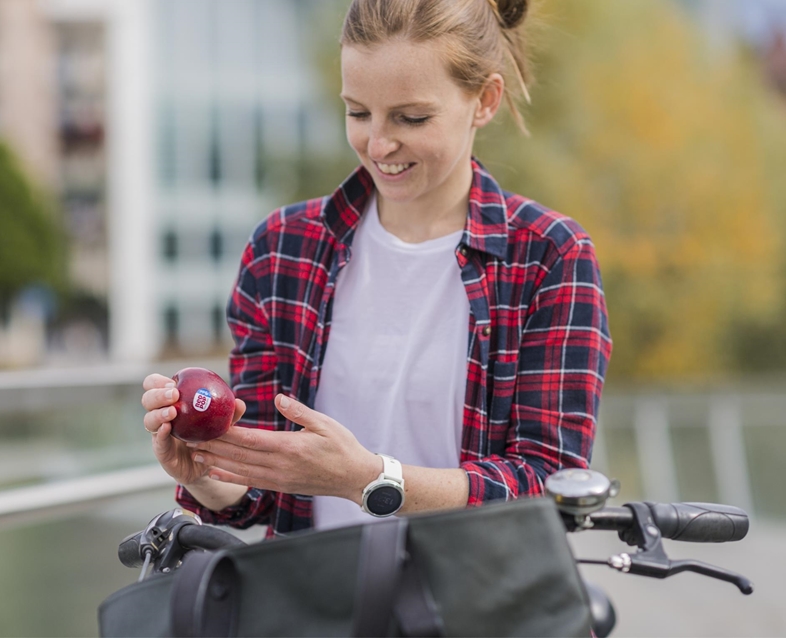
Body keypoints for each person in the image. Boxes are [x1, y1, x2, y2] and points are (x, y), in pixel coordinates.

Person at [141, 0, 612, 538]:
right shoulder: (281, 250)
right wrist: (206, 472)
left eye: (411, 117)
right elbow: (260, 496)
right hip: (319, 610)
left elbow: (553, 487)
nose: (379, 143)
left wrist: (370, 480)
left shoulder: (550, 256)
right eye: (358, 112)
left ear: (485, 100)